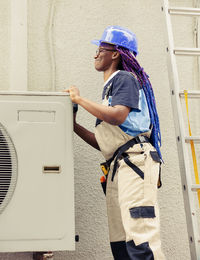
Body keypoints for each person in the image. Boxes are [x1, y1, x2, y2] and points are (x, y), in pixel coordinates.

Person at [66, 26, 165, 260]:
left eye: (101, 49)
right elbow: (105, 144)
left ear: (116, 53)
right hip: (120, 164)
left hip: (135, 164)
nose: (95, 54)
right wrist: (74, 125)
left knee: (140, 236)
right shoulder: (111, 87)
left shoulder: (125, 78)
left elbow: (118, 115)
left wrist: (80, 99)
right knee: (120, 241)